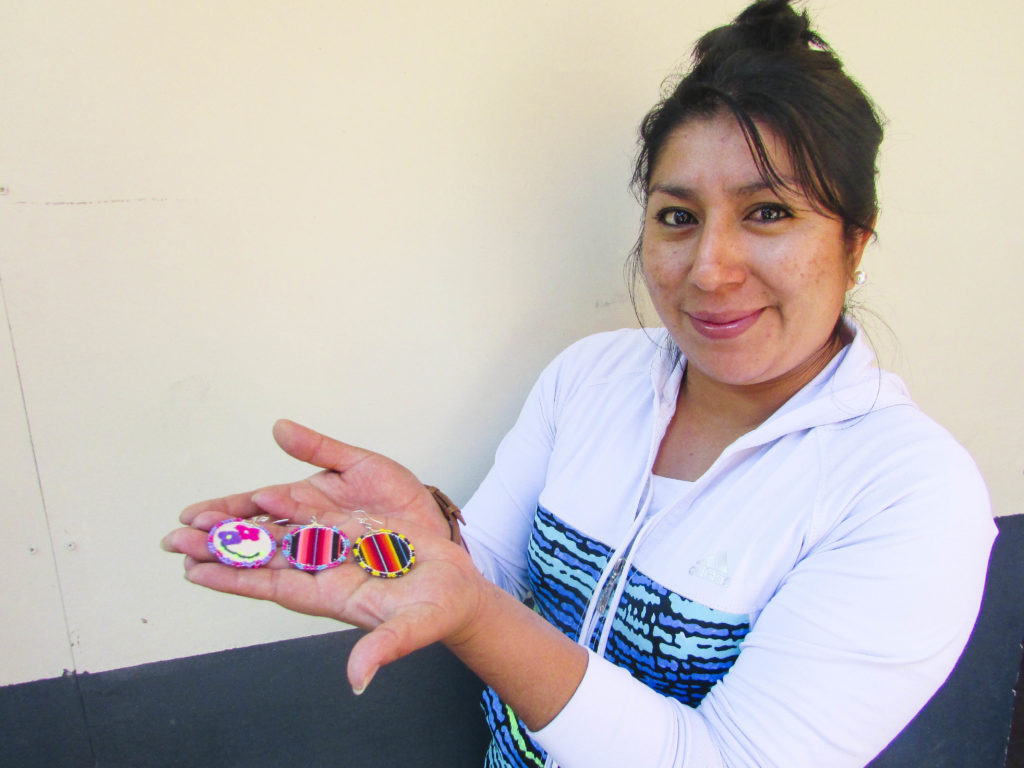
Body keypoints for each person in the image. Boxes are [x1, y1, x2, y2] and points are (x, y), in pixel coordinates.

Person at [162, 1, 996, 765]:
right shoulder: (590, 377)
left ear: (855, 241)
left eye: (768, 213)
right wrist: (427, 532)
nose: (709, 269)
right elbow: (475, 574)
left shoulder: (907, 495)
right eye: (677, 216)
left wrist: (476, 615)